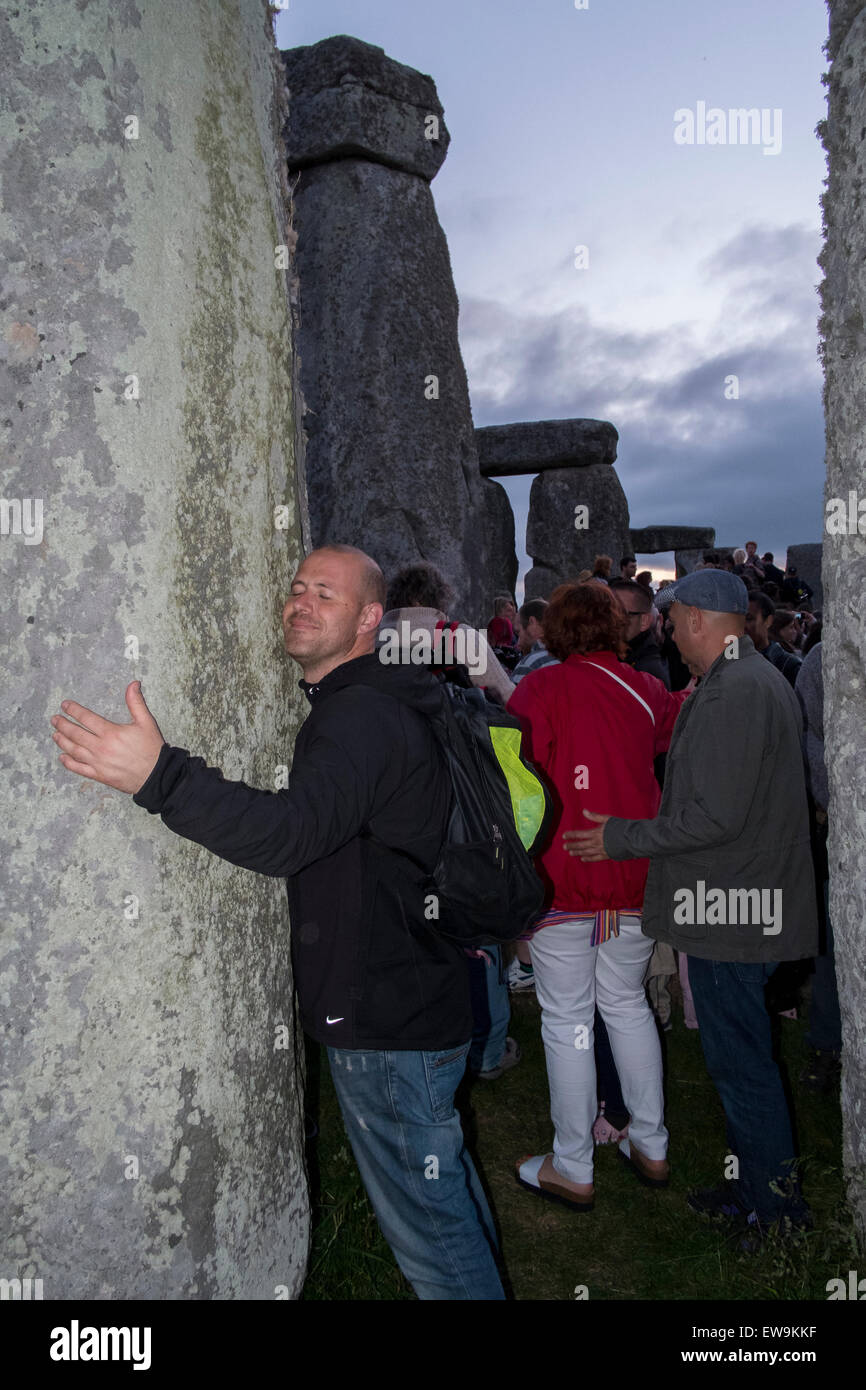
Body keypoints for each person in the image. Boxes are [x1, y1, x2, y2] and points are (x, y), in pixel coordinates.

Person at [51, 544, 505, 1301]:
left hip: (388, 1015)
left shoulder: (361, 714)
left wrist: (159, 777)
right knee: (443, 1197)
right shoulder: (383, 697)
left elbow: (292, 835)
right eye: (297, 588)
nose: (300, 602)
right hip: (415, 994)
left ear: (368, 618)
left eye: (325, 595)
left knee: (433, 1237)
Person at [568, 569, 818, 1243]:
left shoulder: (738, 690)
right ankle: (751, 1187)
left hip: (733, 908)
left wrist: (619, 837)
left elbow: (716, 817)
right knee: (740, 1060)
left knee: (744, 1066)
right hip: (734, 900)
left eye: (675, 619)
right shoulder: (743, 680)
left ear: (703, 619)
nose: (669, 631)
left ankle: (777, 1214)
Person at [507, 583, 688, 1210]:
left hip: (565, 877)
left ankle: (573, 1163)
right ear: (616, 627)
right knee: (627, 1006)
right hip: (635, 873)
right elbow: (670, 735)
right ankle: (651, 1143)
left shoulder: (542, 689)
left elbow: (522, 787)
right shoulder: (647, 690)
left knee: (567, 1023)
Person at [379, 561, 518, 1081]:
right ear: (441, 597)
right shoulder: (456, 637)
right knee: (473, 913)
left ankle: (418, 1039)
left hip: (390, 791)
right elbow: (508, 698)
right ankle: (485, 1047)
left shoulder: (372, 637)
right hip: (459, 791)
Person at [795, 643, 841, 1093]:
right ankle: (827, 1045)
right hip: (842, 824)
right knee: (834, 940)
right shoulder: (825, 659)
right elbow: (811, 735)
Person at [382, 560, 514, 705]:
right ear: (440, 597)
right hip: (444, 725)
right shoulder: (459, 636)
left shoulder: (366, 641)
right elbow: (510, 700)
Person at [609, 580, 671, 688]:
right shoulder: (608, 655)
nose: (611, 619)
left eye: (621, 613)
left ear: (644, 621)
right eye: (607, 611)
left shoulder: (649, 677)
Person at [745, 592, 802, 687]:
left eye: (749, 618)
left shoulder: (789, 665)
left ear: (768, 621)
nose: (742, 625)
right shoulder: (728, 661)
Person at [511, 599, 559, 684]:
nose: (518, 644)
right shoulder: (569, 656)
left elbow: (511, 696)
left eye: (519, 632)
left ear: (532, 622)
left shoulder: (531, 663)